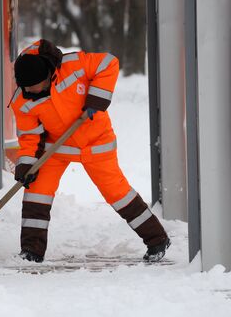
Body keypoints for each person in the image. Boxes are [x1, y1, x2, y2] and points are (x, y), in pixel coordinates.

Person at [10, 39, 170, 263]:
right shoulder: (22, 100)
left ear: (49, 75)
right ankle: (31, 251)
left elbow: (108, 63)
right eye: (26, 88)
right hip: (56, 148)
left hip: (95, 141)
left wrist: (97, 98)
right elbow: (30, 136)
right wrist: (26, 163)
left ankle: (157, 239)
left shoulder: (73, 66)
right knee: (37, 191)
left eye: (35, 86)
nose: (31, 91)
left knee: (116, 192)